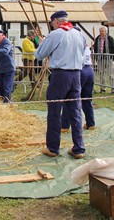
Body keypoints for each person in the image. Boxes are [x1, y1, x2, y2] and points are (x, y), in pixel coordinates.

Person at [36, 10, 86, 159]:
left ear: (57, 21)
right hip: (76, 74)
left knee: (54, 111)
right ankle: (78, 148)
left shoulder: (56, 34)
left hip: (60, 75)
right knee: (75, 111)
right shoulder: (79, 34)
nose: (52, 26)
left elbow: (39, 54)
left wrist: (43, 42)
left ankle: (52, 148)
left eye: (52, 23)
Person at [61, 35, 96, 132]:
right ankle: (91, 123)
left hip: (80, 70)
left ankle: (65, 125)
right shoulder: (86, 46)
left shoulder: (77, 45)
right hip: (90, 71)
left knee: (70, 97)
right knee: (87, 99)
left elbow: (79, 60)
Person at [93, 26, 114, 93]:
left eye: (102, 31)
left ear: (106, 32)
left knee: (111, 74)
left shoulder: (110, 38)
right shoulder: (97, 38)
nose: (101, 32)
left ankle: (113, 89)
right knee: (101, 74)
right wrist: (96, 58)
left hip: (108, 59)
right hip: (100, 59)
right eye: (100, 31)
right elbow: (95, 48)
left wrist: (112, 58)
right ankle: (102, 88)